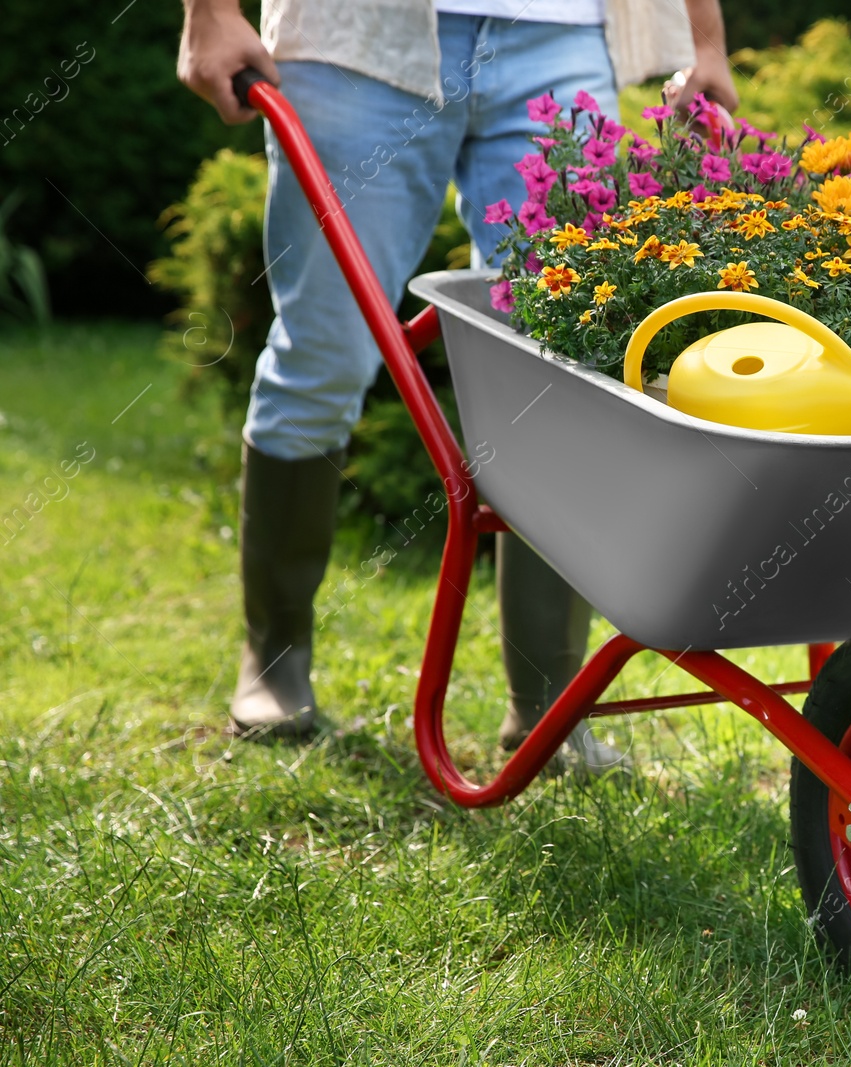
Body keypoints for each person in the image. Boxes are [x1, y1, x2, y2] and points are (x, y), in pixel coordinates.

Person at [177, 0, 739, 770]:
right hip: (357, 39)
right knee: (324, 354)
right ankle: (274, 664)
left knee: (564, 372)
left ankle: (546, 704)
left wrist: (705, 40)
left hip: (561, 38)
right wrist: (208, 14)